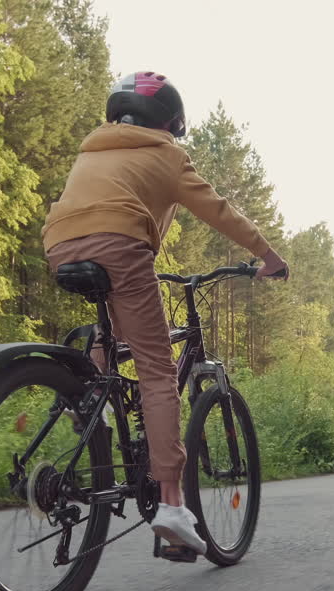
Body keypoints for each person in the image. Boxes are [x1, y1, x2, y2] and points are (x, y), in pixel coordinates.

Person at [43, 71, 289, 557]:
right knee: (157, 370)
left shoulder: (93, 149)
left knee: (113, 332)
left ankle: (90, 401)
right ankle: (173, 507)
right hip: (120, 243)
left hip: (59, 244)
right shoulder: (168, 155)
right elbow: (219, 210)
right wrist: (268, 255)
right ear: (169, 122)